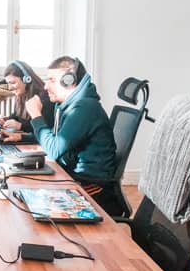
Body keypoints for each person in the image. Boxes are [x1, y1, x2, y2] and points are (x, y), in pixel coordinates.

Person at [25, 56, 121, 215]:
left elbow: (54, 149)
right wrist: (21, 138)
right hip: (73, 176)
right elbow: (57, 138)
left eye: (51, 80)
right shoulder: (69, 106)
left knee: (36, 208)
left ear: (69, 81)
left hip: (92, 186)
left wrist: (36, 115)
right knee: (27, 191)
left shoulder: (83, 108)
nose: (45, 86)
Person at [0, 60, 54, 142]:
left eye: (12, 83)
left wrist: (21, 126)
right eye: (8, 83)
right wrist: (7, 120)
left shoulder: (44, 98)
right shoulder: (22, 94)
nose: (9, 88)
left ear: (27, 79)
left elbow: (45, 129)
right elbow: (17, 115)